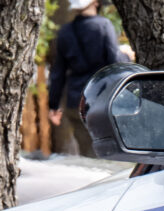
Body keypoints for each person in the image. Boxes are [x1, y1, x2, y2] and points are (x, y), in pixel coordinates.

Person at [47, 0, 129, 156]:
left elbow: (58, 73)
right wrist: (127, 55)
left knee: (88, 155)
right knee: (109, 155)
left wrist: (53, 105)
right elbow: (115, 61)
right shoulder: (104, 25)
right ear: (95, 3)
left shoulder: (65, 32)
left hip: (76, 102)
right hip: (102, 100)